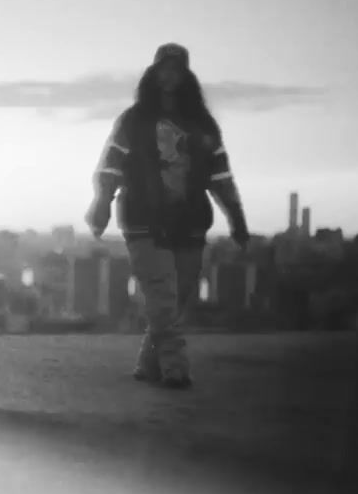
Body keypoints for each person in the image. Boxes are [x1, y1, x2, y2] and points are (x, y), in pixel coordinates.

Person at [85, 43, 249, 389]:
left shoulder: (203, 125)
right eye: (164, 68)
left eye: (177, 69)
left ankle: (149, 365)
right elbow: (111, 166)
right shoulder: (134, 121)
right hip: (143, 220)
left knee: (174, 303)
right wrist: (101, 205)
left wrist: (236, 217)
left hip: (190, 224)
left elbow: (221, 177)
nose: (170, 75)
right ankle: (175, 368)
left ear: (186, 75)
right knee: (161, 295)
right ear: (154, 72)